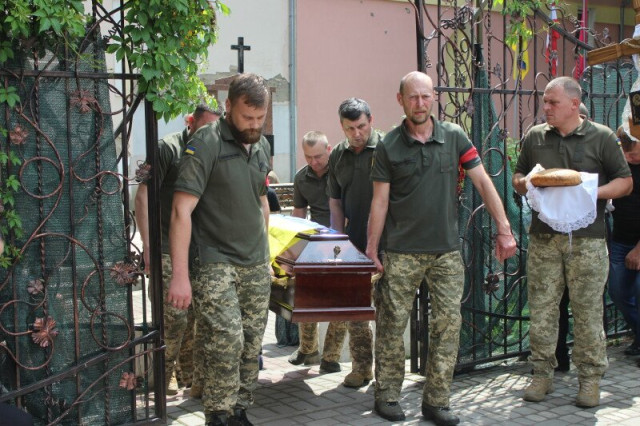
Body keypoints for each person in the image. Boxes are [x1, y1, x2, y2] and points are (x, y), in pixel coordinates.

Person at [366, 71, 517, 424]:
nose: (420, 103)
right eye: (413, 97)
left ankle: (436, 401)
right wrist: (372, 250)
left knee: (448, 325)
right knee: (391, 325)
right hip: (401, 252)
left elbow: (483, 182)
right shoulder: (388, 145)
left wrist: (504, 228)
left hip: (446, 252)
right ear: (400, 100)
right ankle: (387, 396)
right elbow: (379, 202)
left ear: (434, 97)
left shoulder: (454, 136)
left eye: (425, 96)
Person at [513, 76, 632, 408]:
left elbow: (625, 183)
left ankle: (590, 380)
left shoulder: (602, 137)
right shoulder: (536, 137)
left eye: (553, 102)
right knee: (542, 309)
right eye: (545, 102)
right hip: (544, 238)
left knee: (588, 311)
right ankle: (541, 374)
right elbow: (518, 176)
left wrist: (590, 192)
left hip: (587, 240)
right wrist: (528, 183)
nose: (546, 107)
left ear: (574, 104)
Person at [168, 73, 272, 426]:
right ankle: (218, 413)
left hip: (255, 261)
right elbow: (181, 211)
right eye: (247, 117)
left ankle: (239, 410)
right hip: (215, 260)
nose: (254, 125)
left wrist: (267, 256)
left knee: (252, 342)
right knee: (226, 338)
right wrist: (180, 276)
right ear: (228, 107)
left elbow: (261, 202)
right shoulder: (206, 142)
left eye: (260, 118)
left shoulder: (261, 145)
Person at [135, 103, 221, 396]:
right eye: (205, 127)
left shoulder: (214, 149)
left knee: (196, 317)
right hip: (166, 246)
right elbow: (143, 196)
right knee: (172, 318)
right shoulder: (166, 148)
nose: (210, 134)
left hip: (200, 249)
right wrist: (148, 244)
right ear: (190, 121)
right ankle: (162, 377)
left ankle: (191, 377)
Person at [327, 98, 379, 388]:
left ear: (371, 121)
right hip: (353, 245)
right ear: (342, 127)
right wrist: (338, 243)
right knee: (356, 313)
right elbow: (335, 203)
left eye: (361, 126)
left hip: (387, 244)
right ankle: (361, 368)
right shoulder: (337, 154)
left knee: (388, 314)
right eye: (350, 129)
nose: (357, 134)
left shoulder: (386, 148)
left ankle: (387, 375)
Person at [288, 131, 348, 373]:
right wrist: (294, 248)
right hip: (315, 243)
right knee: (306, 296)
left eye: (318, 156)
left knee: (342, 301)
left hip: (344, 242)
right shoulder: (301, 178)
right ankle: (308, 349)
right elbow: (299, 214)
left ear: (329, 149)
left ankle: (331, 357)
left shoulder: (342, 172)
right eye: (308, 157)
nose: (313, 162)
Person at [554, 102, 592, 373]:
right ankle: (558, 357)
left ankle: (588, 363)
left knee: (585, 305)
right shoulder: (548, 145)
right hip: (552, 236)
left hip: (586, 238)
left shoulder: (597, 144)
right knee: (555, 303)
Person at [608, 122, 640, 358]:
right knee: (618, 293)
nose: (629, 158)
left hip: (637, 244)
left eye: (635, 154)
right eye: (626, 153)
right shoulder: (618, 163)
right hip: (620, 238)